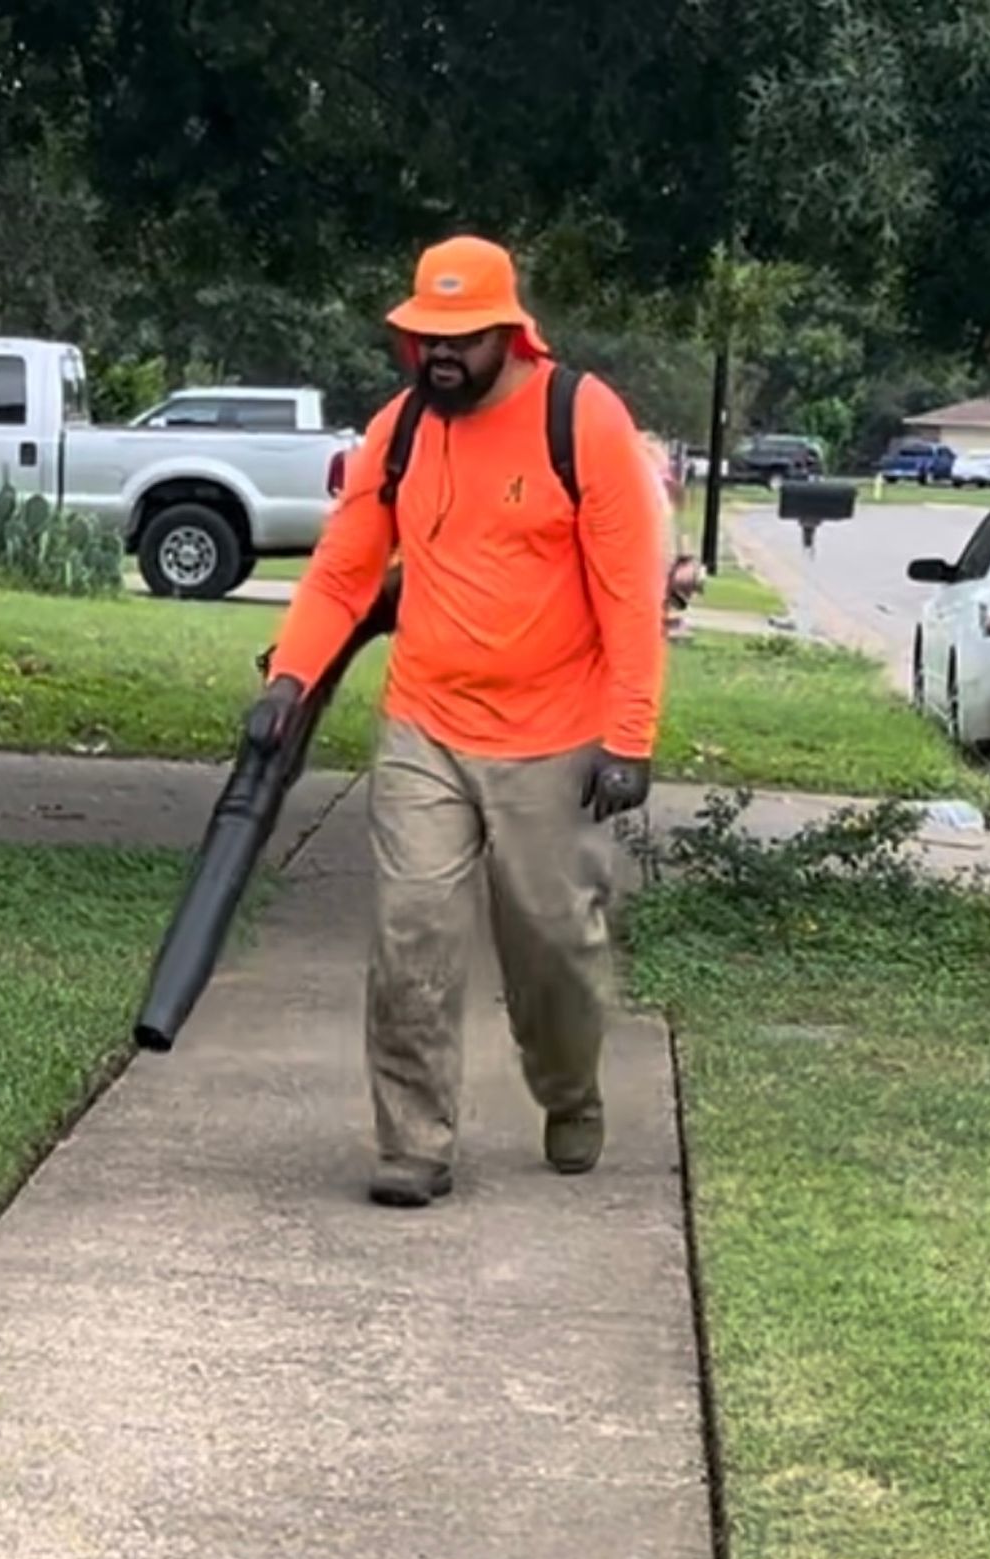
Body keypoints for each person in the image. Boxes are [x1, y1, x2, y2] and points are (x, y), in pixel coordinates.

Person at [258, 236, 667, 1203]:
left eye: (463, 340)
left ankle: (568, 1090)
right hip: (426, 727)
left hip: (556, 733)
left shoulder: (581, 418)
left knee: (553, 950)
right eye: (424, 340)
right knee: (411, 935)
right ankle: (414, 1142)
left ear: (509, 334)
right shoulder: (399, 431)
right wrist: (289, 676)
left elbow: (629, 591)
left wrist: (632, 736)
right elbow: (345, 570)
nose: (440, 357)